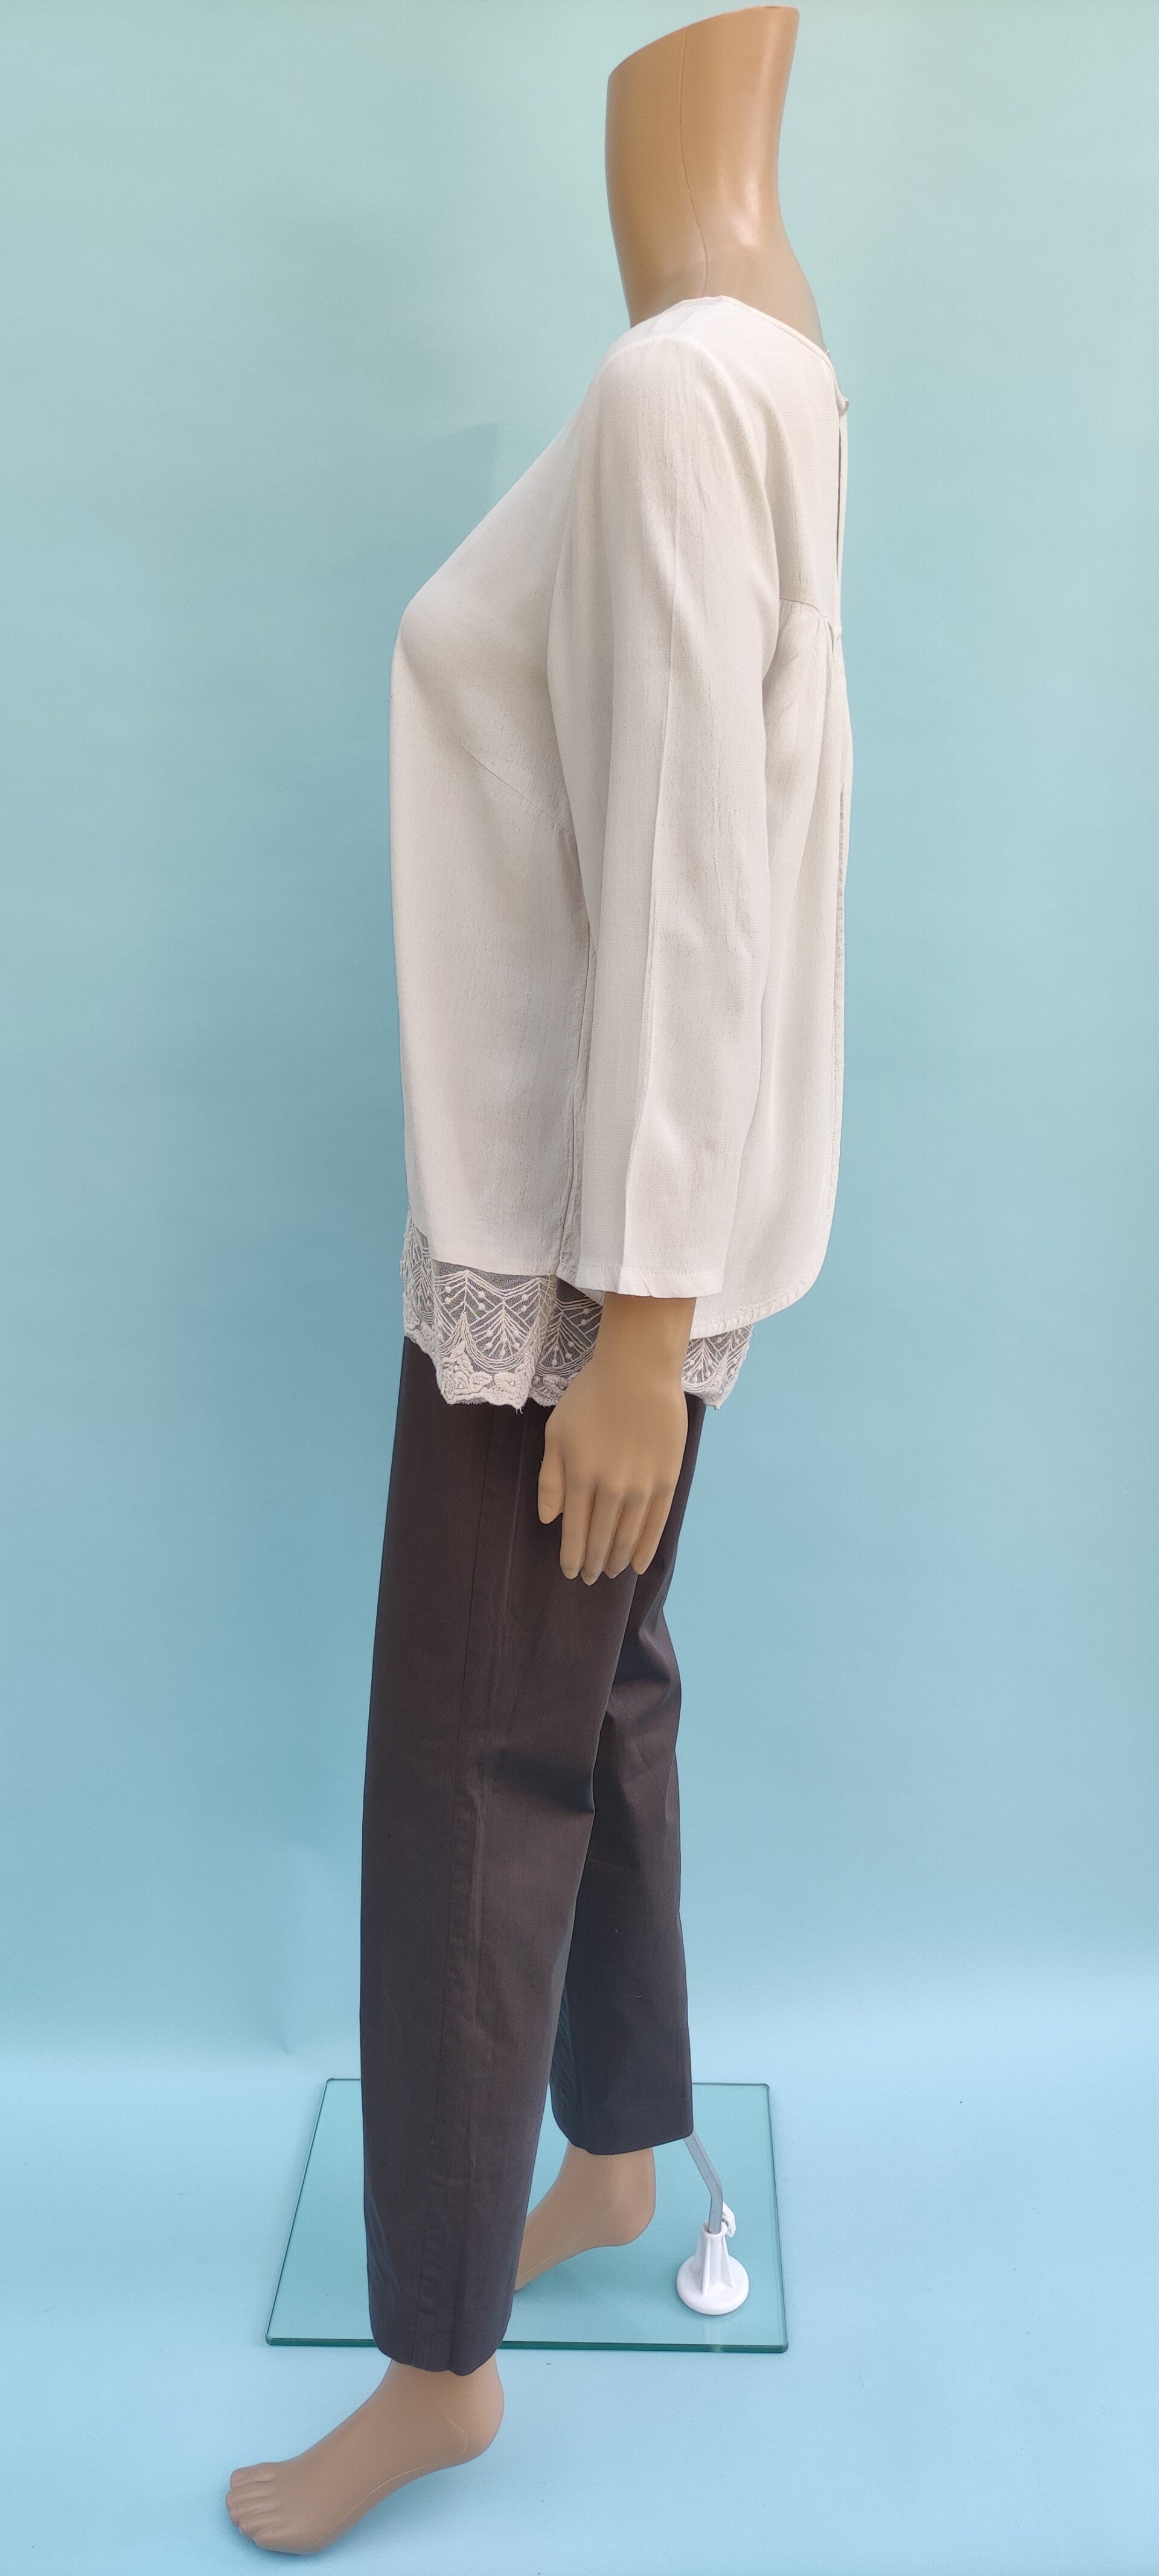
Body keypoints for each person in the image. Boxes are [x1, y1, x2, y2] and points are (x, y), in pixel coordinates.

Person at [226, 3, 852, 2551]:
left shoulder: (687, 382)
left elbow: (696, 869)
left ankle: (435, 2363)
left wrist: (632, 1316)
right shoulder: (778, 363)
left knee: (467, 1760)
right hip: (641, 1219)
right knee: (603, 1705)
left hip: (584, 1240)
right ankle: (611, 2146)